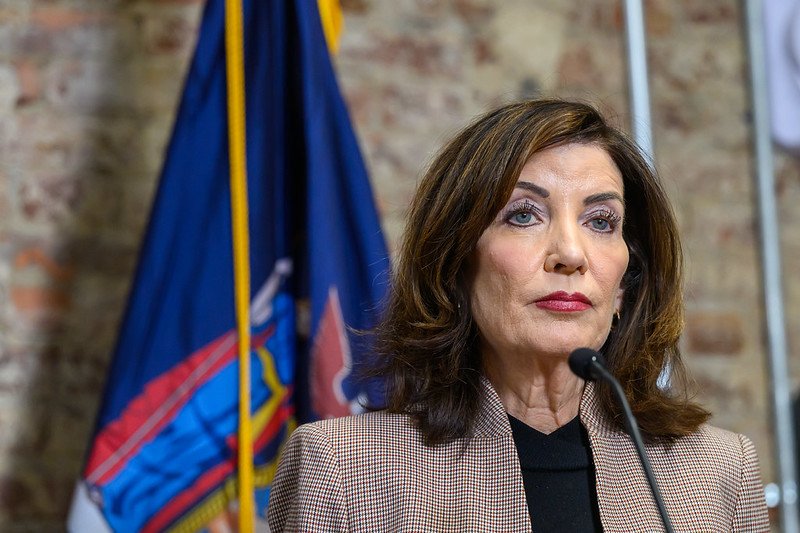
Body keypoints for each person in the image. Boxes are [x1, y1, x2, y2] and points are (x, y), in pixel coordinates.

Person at [266, 98, 770, 531]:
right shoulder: (342, 470)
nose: (569, 254)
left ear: (624, 286)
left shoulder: (719, 473)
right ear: (456, 265)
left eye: (601, 221)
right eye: (523, 214)